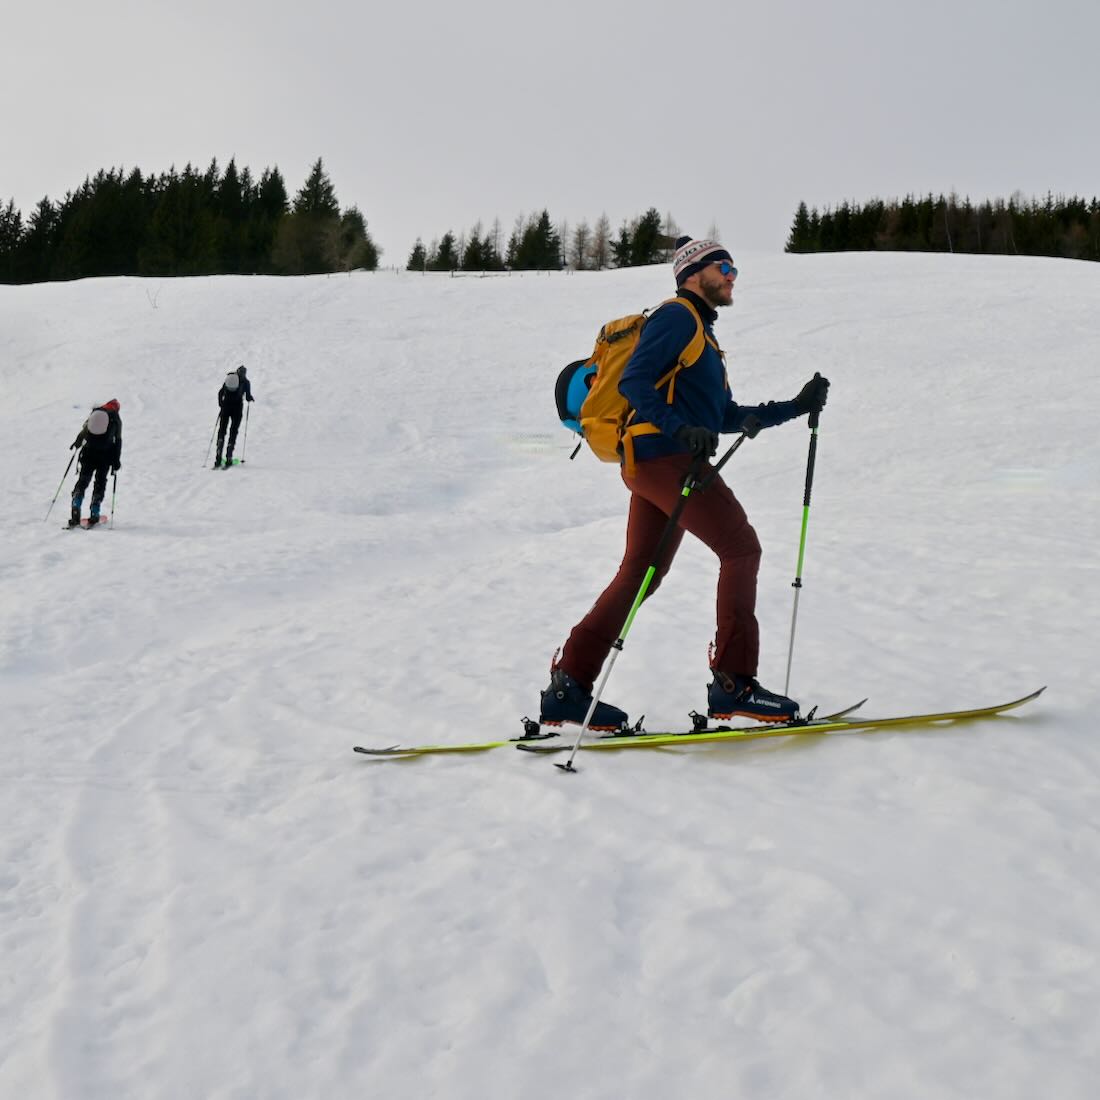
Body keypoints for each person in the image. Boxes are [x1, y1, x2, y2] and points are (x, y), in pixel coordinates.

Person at [538, 236, 829, 730]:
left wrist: (796, 407)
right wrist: (680, 430)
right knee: (741, 549)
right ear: (694, 272)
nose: (734, 276)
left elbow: (724, 415)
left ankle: (569, 685)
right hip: (665, 457)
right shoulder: (677, 317)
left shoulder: (704, 338)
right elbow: (634, 382)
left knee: (641, 572)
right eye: (726, 268)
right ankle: (734, 683)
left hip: (655, 460)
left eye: (735, 269)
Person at [68, 399, 122, 528]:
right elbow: (118, 441)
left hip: (88, 453)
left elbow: (84, 432)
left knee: (83, 480)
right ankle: (95, 511)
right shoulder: (115, 418)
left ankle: (76, 503)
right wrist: (116, 461)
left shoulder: (96, 413)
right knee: (100, 482)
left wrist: (77, 444)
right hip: (105, 456)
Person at [215, 365, 254, 468]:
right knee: (233, 431)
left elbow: (220, 393)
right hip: (237, 409)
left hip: (226, 407)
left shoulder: (230, 378)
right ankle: (229, 456)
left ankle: (218, 456)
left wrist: (221, 404)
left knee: (222, 430)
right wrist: (250, 399)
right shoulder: (246, 382)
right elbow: (248, 396)